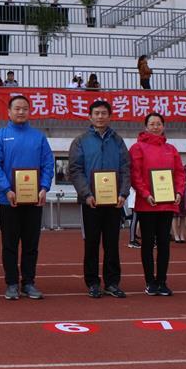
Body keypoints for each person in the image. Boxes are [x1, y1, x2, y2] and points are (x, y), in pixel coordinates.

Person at [0, 95, 54, 300]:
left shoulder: (39, 137)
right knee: (10, 244)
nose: (21, 112)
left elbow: (48, 164)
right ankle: (11, 283)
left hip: (34, 200)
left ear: (29, 111)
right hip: (9, 200)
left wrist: (44, 187)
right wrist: (6, 189)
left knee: (31, 244)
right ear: (8, 112)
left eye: (25, 108)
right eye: (17, 108)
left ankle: (29, 283)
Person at [68, 100, 130, 299]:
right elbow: (75, 170)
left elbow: (125, 168)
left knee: (112, 244)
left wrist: (123, 193)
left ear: (110, 116)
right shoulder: (80, 141)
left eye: (104, 113)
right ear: (90, 116)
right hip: (91, 202)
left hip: (114, 202)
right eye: (96, 113)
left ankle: (112, 283)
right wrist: (86, 194)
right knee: (91, 243)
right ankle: (93, 283)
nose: (100, 117)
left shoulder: (118, 141)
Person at [129, 112, 184, 296]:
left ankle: (162, 281)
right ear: (146, 127)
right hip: (147, 204)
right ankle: (150, 281)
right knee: (147, 243)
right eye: (151, 124)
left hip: (167, 203)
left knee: (164, 243)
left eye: (158, 123)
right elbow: (135, 174)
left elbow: (179, 173)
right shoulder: (137, 148)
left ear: (163, 126)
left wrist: (179, 192)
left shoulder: (171, 149)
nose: (155, 127)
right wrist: (145, 194)